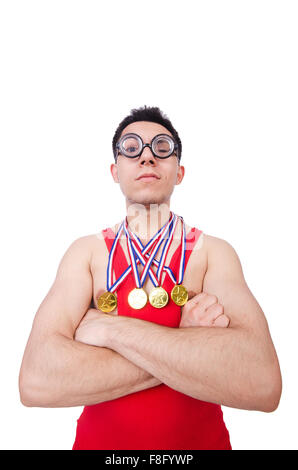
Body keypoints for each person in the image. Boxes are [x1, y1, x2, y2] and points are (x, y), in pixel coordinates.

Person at [19, 106, 282, 450]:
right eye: (131, 148)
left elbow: (261, 384)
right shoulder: (86, 253)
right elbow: (36, 382)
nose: (146, 158)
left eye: (161, 148)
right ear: (115, 171)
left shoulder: (212, 253)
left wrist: (110, 330)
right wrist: (186, 344)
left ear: (179, 171)